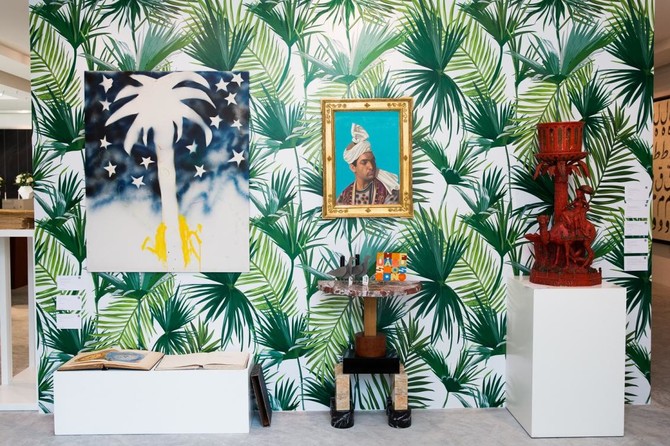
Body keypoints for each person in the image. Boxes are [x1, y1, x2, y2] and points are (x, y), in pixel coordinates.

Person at [336, 123, 399, 205]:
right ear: (353, 167)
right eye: (364, 162)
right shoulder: (344, 195)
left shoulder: (389, 192)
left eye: (372, 161)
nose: (371, 167)